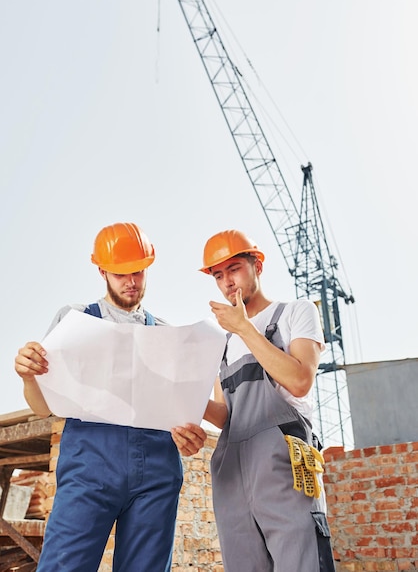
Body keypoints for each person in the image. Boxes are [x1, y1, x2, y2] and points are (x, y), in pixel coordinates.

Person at [14, 222, 183, 572]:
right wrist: (28, 376)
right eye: (120, 273)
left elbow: (180, 410)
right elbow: (44, 406)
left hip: (156, 472)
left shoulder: (167, 335)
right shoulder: (74, 321)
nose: (131, 282)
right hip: (90, 467)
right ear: (102, 270)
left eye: (137, 271)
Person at [171, 229, 336, 572]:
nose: (227, 282)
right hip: (232, 467)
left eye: (235, 269)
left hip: (282, 460)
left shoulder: (295, 313)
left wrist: (245, 328)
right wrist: (181, 392)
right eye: (218, 276)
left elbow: (300, 380)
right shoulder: (222, 343)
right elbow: (226, 416)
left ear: (257, 265)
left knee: (300, 559)